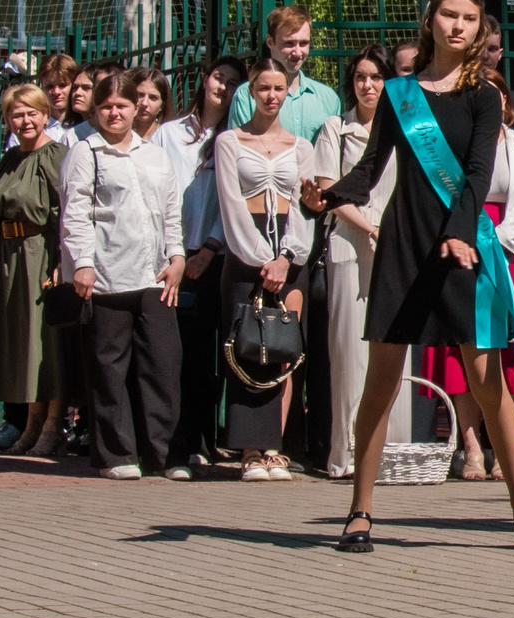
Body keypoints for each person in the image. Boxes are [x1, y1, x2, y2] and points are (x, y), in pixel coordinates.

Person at [303, 0, 514, 553]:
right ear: (431, 18)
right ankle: (360, 510)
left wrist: (462, 236)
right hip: (403, 247)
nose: (458, 26)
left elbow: (474, 174)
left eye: (470, 18)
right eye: (449, 14)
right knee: (381, 382)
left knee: (489, 382)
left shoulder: (484, 96)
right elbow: (370, 170)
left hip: (462, 245)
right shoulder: (397, 94)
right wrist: (326, 195)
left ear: (480, 27)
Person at [60, 70, 188, 479]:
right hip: (108, 276)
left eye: (122, 106)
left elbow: (171, 209)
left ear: (137, 109)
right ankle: (116, 454)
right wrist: (81, 262)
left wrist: (178, 255)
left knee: (162, 365)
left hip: (155, 276)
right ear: (95, 111)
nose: (114, 114)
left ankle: (164, 454)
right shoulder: (86, 152)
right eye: (106, 107)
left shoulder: (154, 154)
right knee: (109, 369)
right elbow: (75, 213)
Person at [421, 89, 514, 480]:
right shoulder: (451, 145)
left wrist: (496, 242)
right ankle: (472, 444)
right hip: (461, 243)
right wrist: (469, 237)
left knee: (506, 347)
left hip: (511, 249)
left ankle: (501, 446)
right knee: (462, 347)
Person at [217, 56, 320, 481]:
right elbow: (230, 204)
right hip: (247, 250)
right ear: (250, 92)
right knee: (247, 348)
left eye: (279, 89)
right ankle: (248, 450)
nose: (271, 96)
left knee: (283, 349)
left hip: (289, 250)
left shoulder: (302, 146)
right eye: (263, 88)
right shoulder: (229, 142)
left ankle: (276, 447)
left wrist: (287, 256)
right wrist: (262, 257)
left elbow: (306, 207)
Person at [157, 55, 245, 469]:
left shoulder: (236, 136)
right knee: (182, 355)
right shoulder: (169, 134)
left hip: (218, 257)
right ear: (204, 79)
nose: (222, 87)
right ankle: (183, 440)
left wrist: (209, 248)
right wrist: (179, 251)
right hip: (175, 257)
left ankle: (211, 440)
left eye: (232, 83)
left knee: (217, 357)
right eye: (217, 78)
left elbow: (233, 201)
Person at [310, 47, 394, 480]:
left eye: (376, 76)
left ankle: (392, 453)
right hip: (348, 246)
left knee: (393, 354)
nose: (368, 85)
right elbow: (329, 192)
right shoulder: (335, 129)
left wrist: (391, 233)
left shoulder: (404, 126)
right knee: (349, 354)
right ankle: (347, 455)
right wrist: (369, 227)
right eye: (361, 77)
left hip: (396, 251)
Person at [0, 85, 66, 456]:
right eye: (17, 114)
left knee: (45, 342)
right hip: (10, 254)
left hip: (42, 253)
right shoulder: (11, 158)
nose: (25, 120)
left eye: (32, 112)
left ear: (46, 113)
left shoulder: (55, 155)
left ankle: (52, 424)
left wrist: (64, 261)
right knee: (23, 343)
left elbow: (69, 212)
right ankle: (31, 423)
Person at [228, 3, 342, 138]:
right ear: (270, 42)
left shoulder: (328, 99)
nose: (298, 52)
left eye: (304, 43)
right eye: (289, 43)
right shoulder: (246, 96)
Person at [38, 53, 81, 144]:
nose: (56, 92)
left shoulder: (85, 124)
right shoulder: (34, 126)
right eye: (49, 86)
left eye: (62, 85)